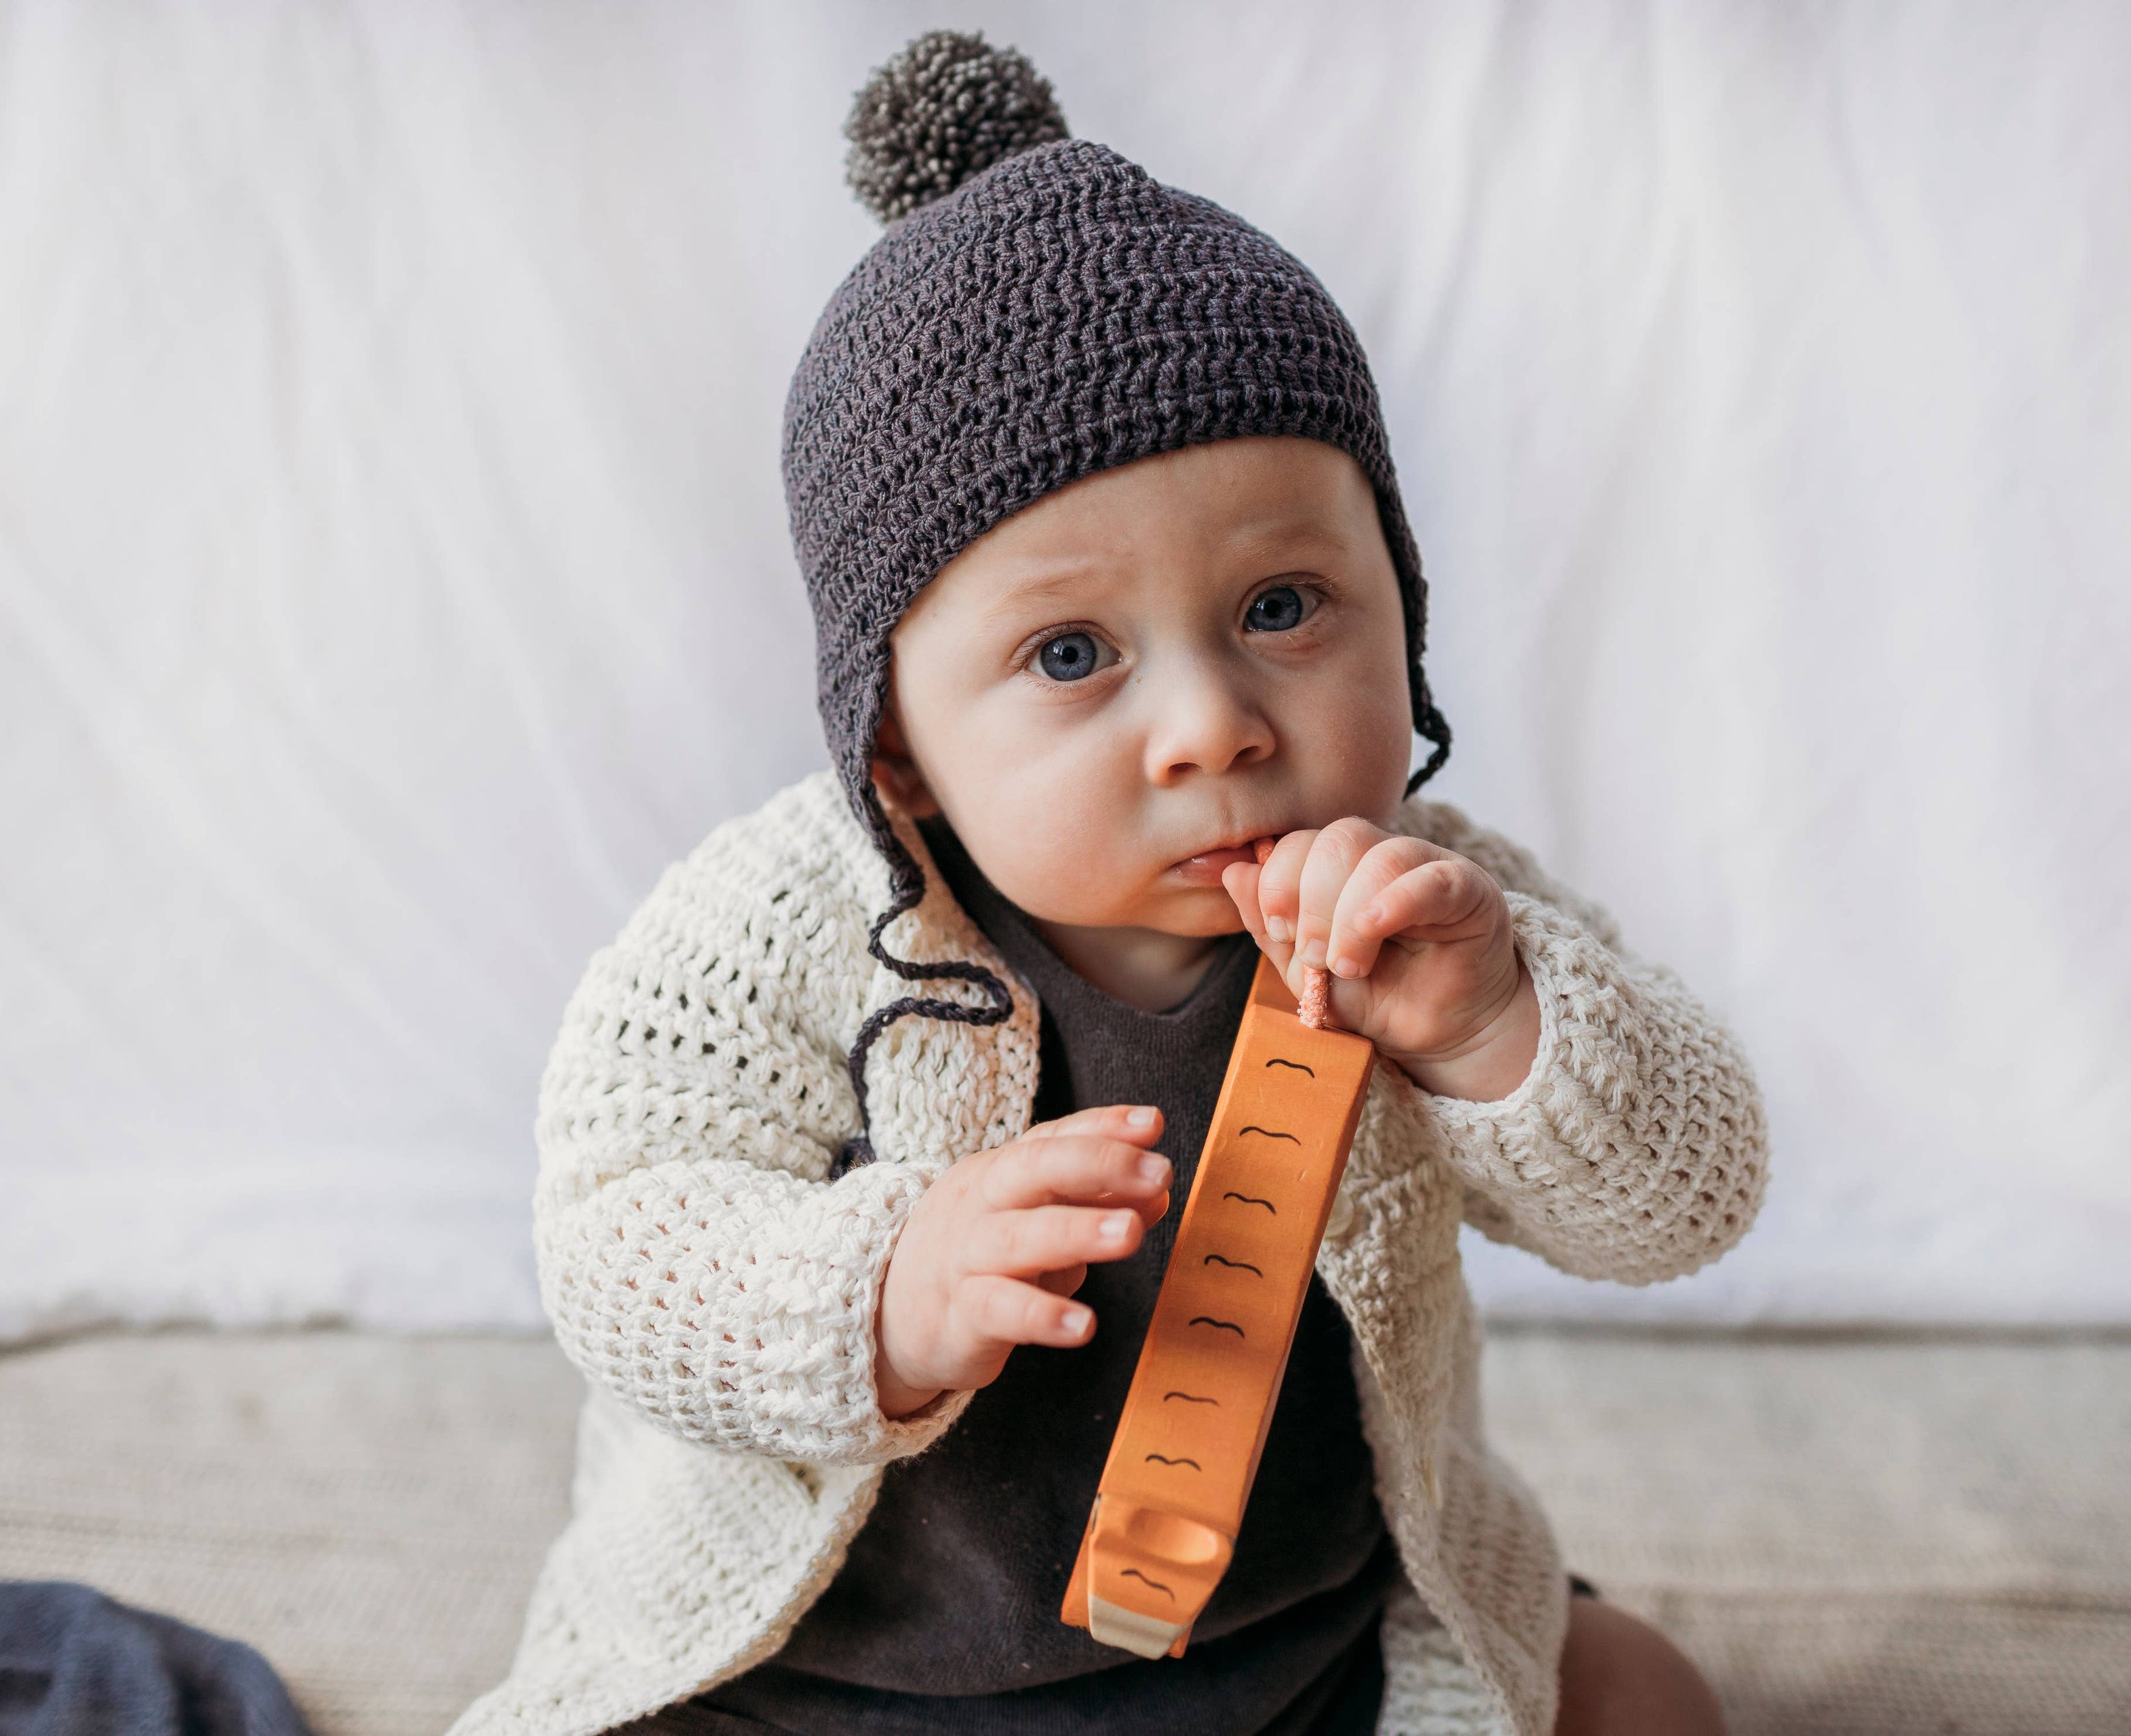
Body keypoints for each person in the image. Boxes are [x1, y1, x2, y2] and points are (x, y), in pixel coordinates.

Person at [455, 32, 1764, 1736]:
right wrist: (878, 1290)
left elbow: (1691, 1195)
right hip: (823, 1676)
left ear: (1405, 599)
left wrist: (1498, 1027)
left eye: (1286, 606)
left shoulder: (1431, 910)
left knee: (1642, 1694)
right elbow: (615, 1232)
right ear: (899, 745)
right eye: (1074, 651)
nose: (1215, 725)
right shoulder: (790, 924)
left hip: (1292, 1646)